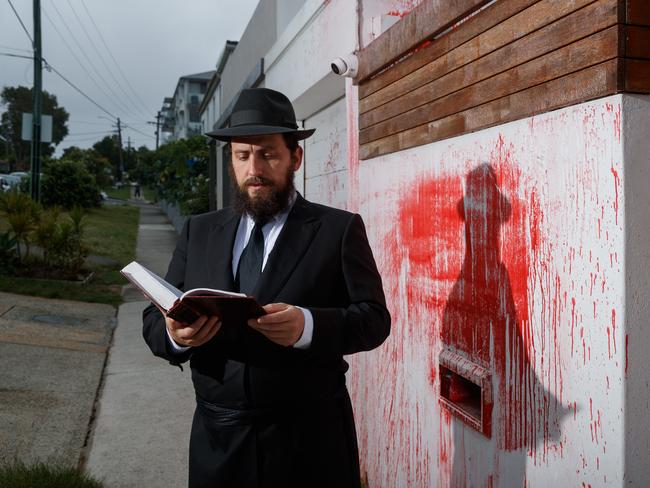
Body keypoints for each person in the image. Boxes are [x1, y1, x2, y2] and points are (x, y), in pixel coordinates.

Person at [142, 87, 390, 488]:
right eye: (242, 155)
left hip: (310, 442)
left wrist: (308, 326)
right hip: (218, 442)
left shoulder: (338, 230)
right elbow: (155, 319)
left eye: (268, 153)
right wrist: (176, 335)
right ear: (232, 162)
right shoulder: (199, 231)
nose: (254, 168)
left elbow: (375, 320)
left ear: (295, 157)